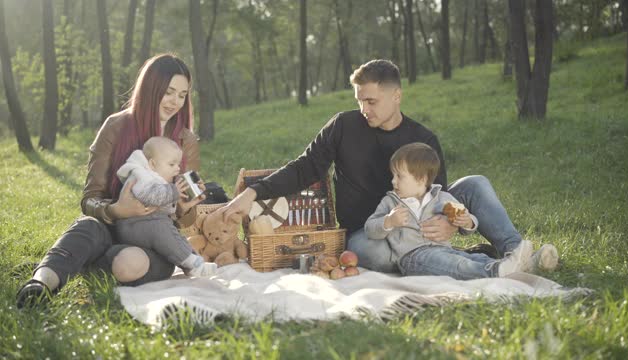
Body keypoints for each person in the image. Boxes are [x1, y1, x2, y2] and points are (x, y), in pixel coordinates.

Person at [221, 59, 559, 274]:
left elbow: (438, 192)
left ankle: (516, 252)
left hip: (421, 225)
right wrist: (252, 192)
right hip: (370, 232)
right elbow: (305, 167)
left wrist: (449, 224)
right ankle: (474, 261)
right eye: (359, 100)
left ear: (396, 96)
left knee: (476, 183)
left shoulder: (423, 137)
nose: (363, 108)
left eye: (371, 100)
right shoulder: (342, 126)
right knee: (374, 255)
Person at [16, 53, 206, 308]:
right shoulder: (115, 127)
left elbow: (184, 221)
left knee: (131, 263)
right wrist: (117, 210)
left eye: (182, 95)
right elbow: (90, 198)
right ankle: (41, 284)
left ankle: (82, 262)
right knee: (86, 228)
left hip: (154, 238)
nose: (175, 102)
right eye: (169, 92)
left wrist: (185, 207)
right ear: (151, 89)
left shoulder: (186, 141)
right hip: (109, 228)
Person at [365, 142, 534, 279]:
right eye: (393, 175)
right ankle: (496, 271)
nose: (393, 181)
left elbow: (468, 222)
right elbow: (370, 228)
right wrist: (388, 221)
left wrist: (467, 222)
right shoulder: (390, 202)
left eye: (399, 176)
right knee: (458, 265)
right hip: (413, 258)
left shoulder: (442, 197)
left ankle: (517, 265)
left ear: (421, 179)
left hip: (444, 250)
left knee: (471, 259)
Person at [115, 136, 217, 278]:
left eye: (178, 164)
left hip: (148, 223)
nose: (177, 168)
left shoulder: (154, 176)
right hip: (134, 226)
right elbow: (149, 196)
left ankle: (192, 264)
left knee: (174, 235)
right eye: (171, 165)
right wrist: (173, 191)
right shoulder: (140, 175)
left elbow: (163, 207)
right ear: (152, 164)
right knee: (162, 230)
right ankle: (192, 263)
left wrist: (182, 200)